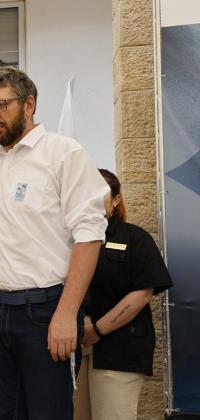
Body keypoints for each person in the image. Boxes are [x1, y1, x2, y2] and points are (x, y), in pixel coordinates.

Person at [0, 66, 110, 420]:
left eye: (0, 105)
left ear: (29, 103)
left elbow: (90, 235)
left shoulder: (63, 154)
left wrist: (66, 313)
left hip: (45, 312)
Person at [81, 169, 173, 420]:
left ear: (116, 199)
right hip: (72, 349)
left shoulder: (134, 238)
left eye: (98, 193)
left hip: (118, 349)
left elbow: (143, 293)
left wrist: (97, 330)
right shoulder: (71, 239)